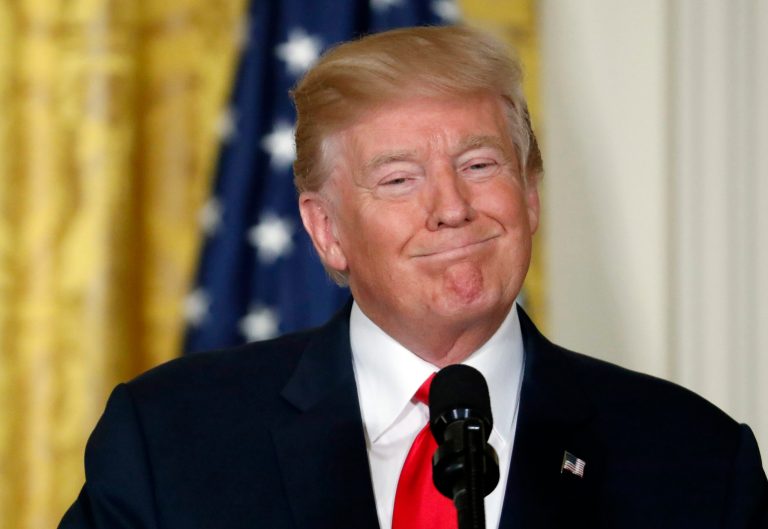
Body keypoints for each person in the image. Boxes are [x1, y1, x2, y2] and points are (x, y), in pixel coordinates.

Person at [59, 26, 767, 529]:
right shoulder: (172, 439)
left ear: (530, 196)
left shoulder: (696, 458)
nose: (452, 208)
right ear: (326, 230)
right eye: (399, 179)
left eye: (480, 165)